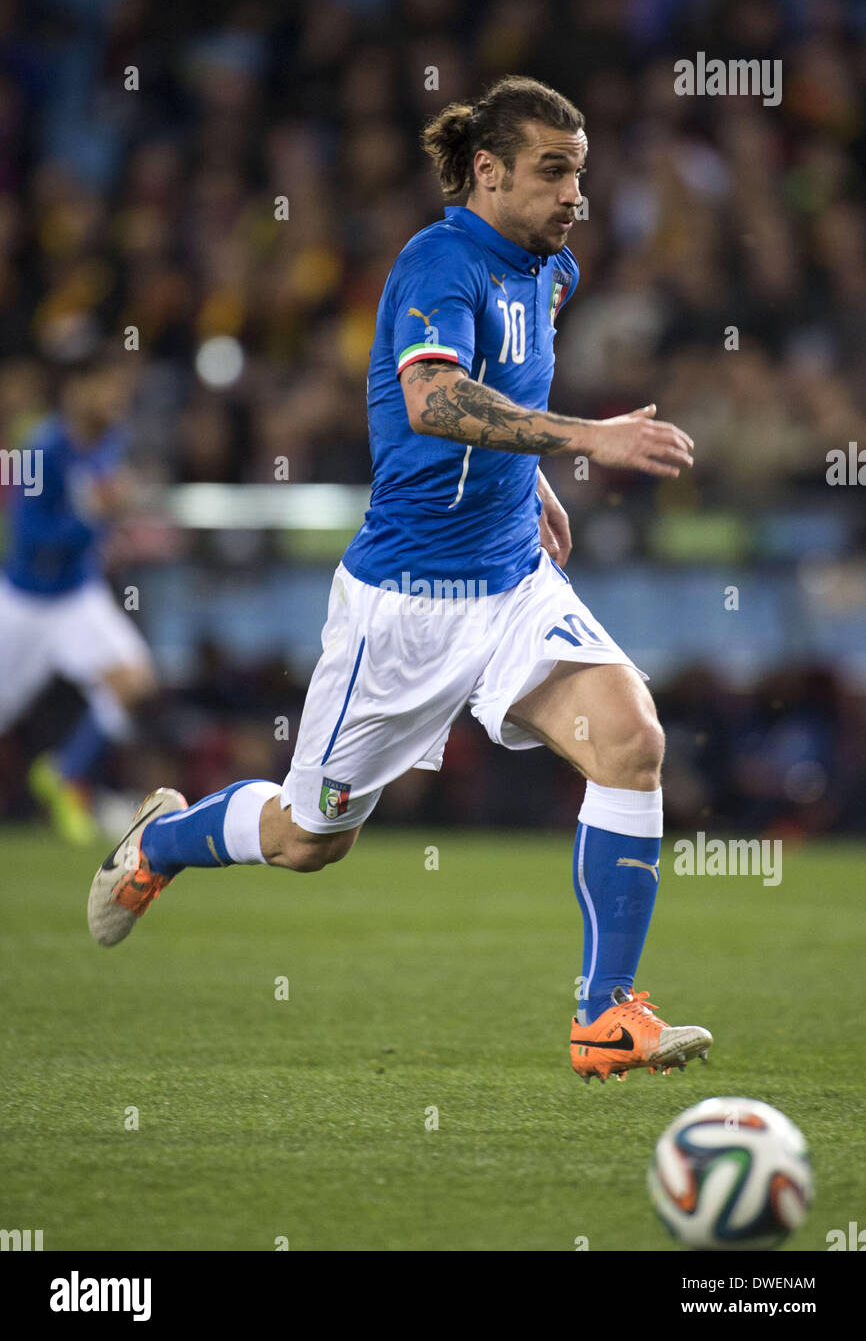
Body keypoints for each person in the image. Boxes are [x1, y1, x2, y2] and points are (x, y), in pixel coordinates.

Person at [89, 76, 711, 1082]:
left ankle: (604, 1017)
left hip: (510, 582)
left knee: (631, 741)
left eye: (580, 175)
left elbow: (502, 393)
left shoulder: (552, 273)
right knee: (306, 840)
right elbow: (432, 398)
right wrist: (586, 437)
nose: (572, 197)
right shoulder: (437, 259)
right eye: (551, 173)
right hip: (403, 608)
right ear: (486, 171)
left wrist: (534, 474)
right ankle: (165, 843)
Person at [0, 348, 157, 842]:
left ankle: (66, 774)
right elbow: (28, 540)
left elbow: (99, 512)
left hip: (76, 597)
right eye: (105, 385)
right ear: (76, 390)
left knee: (134, 683)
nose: (116, 396)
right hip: (24, 602)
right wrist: (96, 513)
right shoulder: (40, 448)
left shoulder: (111, 440)